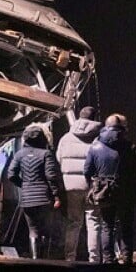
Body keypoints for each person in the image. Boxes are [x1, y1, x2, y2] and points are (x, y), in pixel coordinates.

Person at [83, 113, 136, 264]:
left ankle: (108, 259)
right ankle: (127, 257)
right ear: (122, 128)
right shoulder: (130, 147)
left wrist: (95, 184)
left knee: (107, 225)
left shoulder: (95, 146)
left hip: (105, 191)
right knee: (126, 226)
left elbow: (87, 170)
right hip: (126, 191)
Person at [10, 122, 64, 259]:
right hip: (44, 198)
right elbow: (51, 176)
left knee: (33, 230)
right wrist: (57, 196)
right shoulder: (46, 154)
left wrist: (24, 185)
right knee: (45, 230)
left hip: (27, 199)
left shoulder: (19, 154)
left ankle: (35, 260)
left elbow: (11, 175)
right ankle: (44, 260)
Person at [56, 106, 102, 261]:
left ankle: (70, 257)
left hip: (71, 187)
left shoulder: (65, 138)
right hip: (91, 187)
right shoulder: (98, 138)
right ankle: (94, 258)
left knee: (73, 223)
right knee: (93, 222)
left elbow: (59, 159)